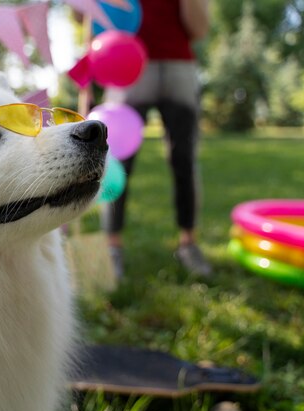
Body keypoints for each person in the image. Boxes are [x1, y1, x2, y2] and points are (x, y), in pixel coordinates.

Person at [101, 0, 212, 278]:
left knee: (184, 158)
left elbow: (199, 29)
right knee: (117, 160)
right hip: (125, 58)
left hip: (178, 65)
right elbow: (87, 18)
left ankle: (188, 242)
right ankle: (112, 246)